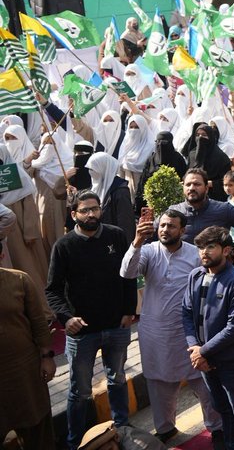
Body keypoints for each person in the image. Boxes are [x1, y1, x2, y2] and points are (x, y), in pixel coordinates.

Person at [46, 191, 138, 450]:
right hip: (82, 333)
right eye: (85, 210)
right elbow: (52, 290)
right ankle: (75, 441)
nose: (91, 214)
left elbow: (129, 275)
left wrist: (128, 311)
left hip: (116, 327)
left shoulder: (116, 236)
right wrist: (67, 318)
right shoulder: (64, 246)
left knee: (118, 380)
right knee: (80, 392)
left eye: (95, 209)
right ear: (74, 214)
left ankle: (122, 430)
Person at [119, 208, 221, 441]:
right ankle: (165, 428)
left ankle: (217, 427)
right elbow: (127, 272)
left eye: (171, 226)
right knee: (158, 385)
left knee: (205, 384)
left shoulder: (196, 255)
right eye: (162, 225)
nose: (165, 230)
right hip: (155, 332)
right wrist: (136, 241)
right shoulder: (147, 251)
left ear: (182, 230)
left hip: (189, 333)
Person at [182, 226, 234, 450]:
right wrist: (194, 348)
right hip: (205, 360)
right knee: (223, 411)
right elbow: (187, 313)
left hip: (230, 360)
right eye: (201, 247)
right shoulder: (196, 276)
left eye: (210, 246)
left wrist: (203, 351)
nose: (204, 252)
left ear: (227, 250)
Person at [0, 266, 57, 450]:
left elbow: (39, 322)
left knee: (38, 431)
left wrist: (47, 357)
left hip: (24, 373)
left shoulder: (19, 280)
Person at [172, 167, 234, 244]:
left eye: (197, 184)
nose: (192, 188)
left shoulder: (224, 209)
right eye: (188, 184)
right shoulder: (174, 213)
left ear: (206, 188)